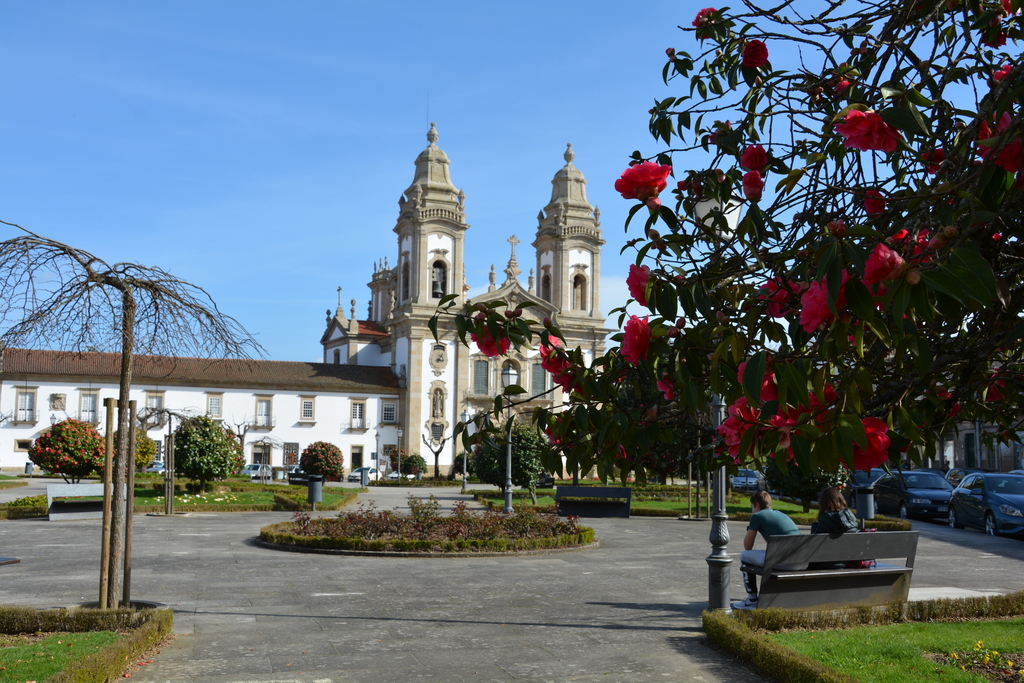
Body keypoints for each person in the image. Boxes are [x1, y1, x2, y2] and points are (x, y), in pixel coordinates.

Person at [735, 490, 804, 610]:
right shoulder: (781, 514)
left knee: (744, 556)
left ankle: (752, 600)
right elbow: (772, 544)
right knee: (764, 555)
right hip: (802, 562)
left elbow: (747, 546)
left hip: (785, 563)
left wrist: (752, 527)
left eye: (752, 506)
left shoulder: (757, 516)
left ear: (757, 505)